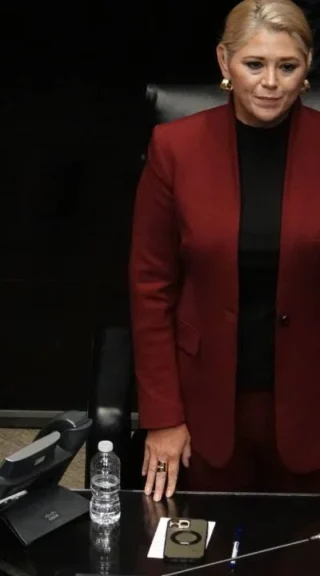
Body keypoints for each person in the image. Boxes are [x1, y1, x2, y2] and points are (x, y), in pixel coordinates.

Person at [131, 0, 320, 500]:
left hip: (310, 399)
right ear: (224, 61)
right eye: (254, 64)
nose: (270, 82)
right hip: (204, 404)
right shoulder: (174, 147)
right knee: (199, 540)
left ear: (307, 67)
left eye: (287, 66)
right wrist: (163, 417)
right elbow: (150, 289)